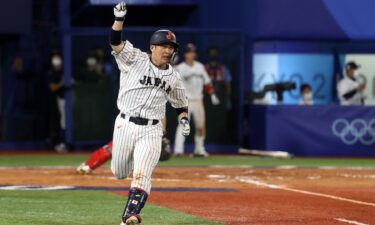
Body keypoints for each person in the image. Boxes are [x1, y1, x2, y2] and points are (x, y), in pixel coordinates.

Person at [109, 2, 190, 225]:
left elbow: (181, 104)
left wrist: (183, 120)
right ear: (152, 47)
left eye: (171, 47)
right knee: (118, 172)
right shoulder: (135, 58)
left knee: (142, 173)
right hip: (125, 124)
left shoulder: (173, 77)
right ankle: (132, 169)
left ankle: (130, 216)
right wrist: (119, 19)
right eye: (163, 45)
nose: (168, 50)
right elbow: (115, 43)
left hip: (152, 129)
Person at [76, 117, 172, 174]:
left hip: (147, 129)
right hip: (131, 124)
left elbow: (161, 113)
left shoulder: (156, 94)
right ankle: (89, 165)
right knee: (115, 147)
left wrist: (161, 132)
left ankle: (88, 166)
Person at [173, 43, 220, 157]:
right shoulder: (180, 68)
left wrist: (212, 94)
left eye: (193, 52)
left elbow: (207, 82)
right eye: (189, 52)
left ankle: (199, 149)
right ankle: (178, 150)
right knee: (183, 125)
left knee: (200, 126)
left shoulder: (200, 67)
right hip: (185, 101)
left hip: (198, 100)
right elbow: (171, 80)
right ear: (185, 54)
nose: (191, 54)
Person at [47, 52, 68, 153]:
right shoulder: (52, 73)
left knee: (65, 122)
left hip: (68, 100)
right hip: (59, 100)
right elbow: (52, 87)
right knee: (62, 122)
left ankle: (64, 143)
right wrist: (63, 82)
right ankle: (61, 143)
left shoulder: (65, 70)